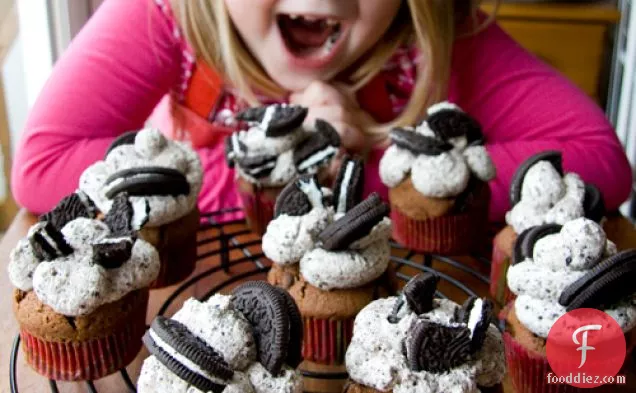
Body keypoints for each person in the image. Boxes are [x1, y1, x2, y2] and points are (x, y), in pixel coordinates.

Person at [11, 0, 632, 223]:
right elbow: (43, 165)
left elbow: (599, 157)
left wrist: (370, 175)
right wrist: (282, 174)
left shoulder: (436, 31)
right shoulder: (167, 16)